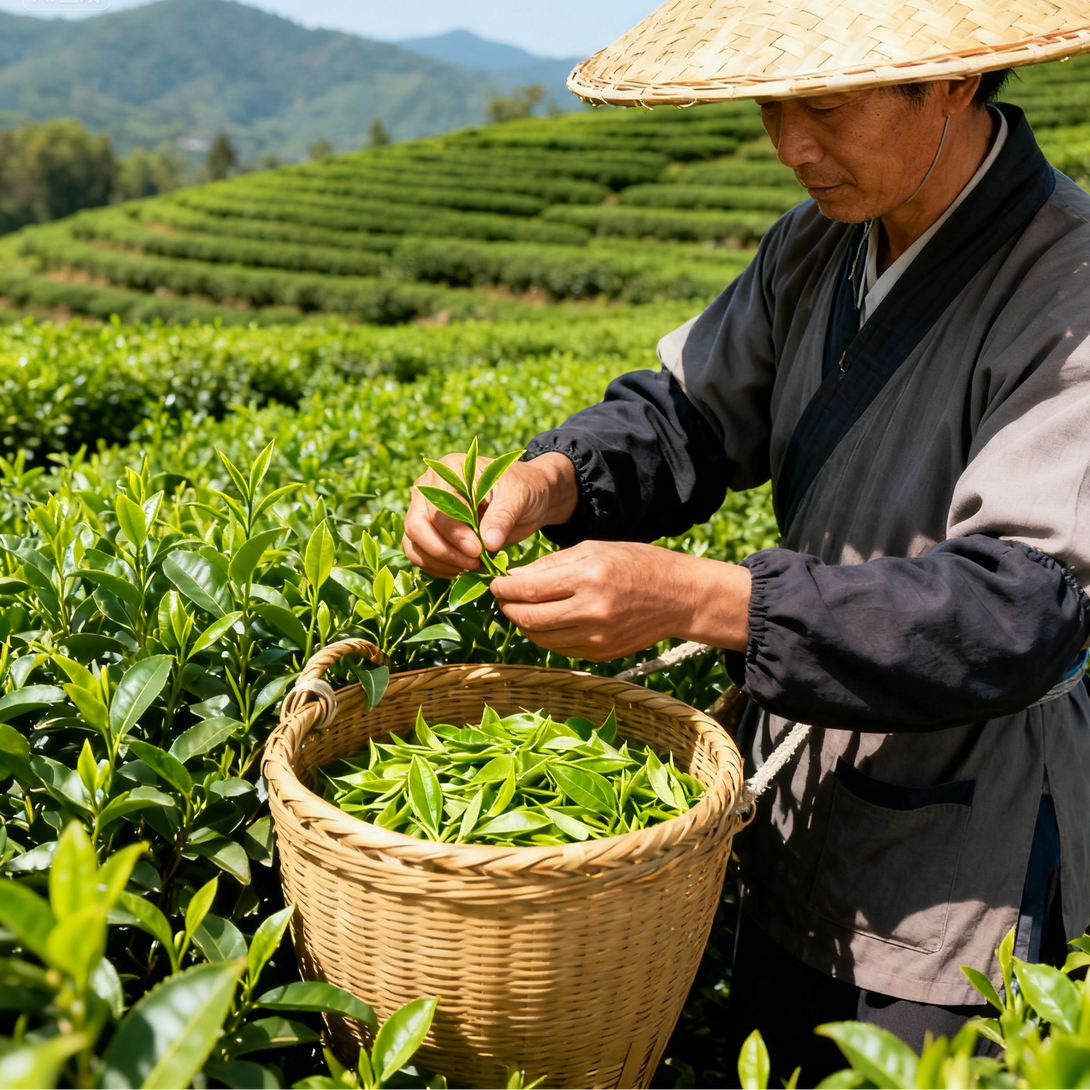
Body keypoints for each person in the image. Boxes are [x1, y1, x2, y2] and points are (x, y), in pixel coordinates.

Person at [403, 0, 1090, 1081]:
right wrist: (545, 477)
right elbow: (685, 416)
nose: (791, 145)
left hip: (962, 860)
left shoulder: (1067, 285)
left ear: (955, 81)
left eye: (823, 105)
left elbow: (1018, 608)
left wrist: (699, 600)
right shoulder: (818, 246)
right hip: (794, 804)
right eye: (774, 105)